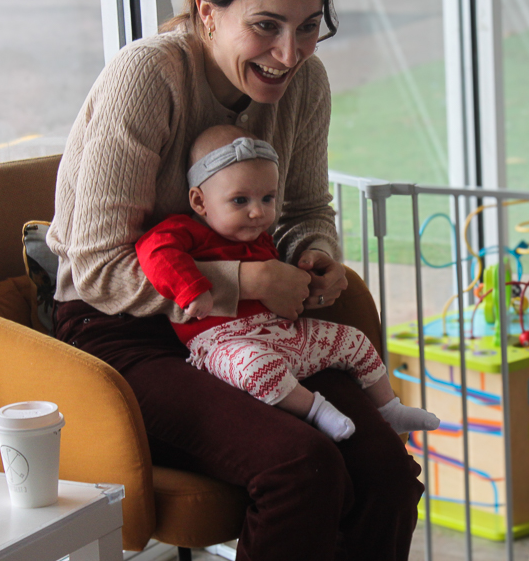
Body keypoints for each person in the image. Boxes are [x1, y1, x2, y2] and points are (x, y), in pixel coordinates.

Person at [46, 0, 423, 560]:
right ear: (207, 11)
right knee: (301, 468)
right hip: (122, 330)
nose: (288, 54)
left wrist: (315, 255)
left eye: (309, 28)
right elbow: (102, 269)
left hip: (248, 328)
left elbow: (304, 207)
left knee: (388, 471)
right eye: (266, 26)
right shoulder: (147, 78)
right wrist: (248, 279)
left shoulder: (306, 84)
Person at [136, 125, 440, 441]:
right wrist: (192, 289)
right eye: (240, 200)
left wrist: (305, 275)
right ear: (199, 202)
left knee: (353, 339)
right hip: (223, 343)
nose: (257, 212)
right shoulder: (186, 232)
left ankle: (389, 408)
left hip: (283, 333)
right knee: (257, 368)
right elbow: (155, 252)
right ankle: (316, 411)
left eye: (268, 198)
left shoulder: (261, 240)